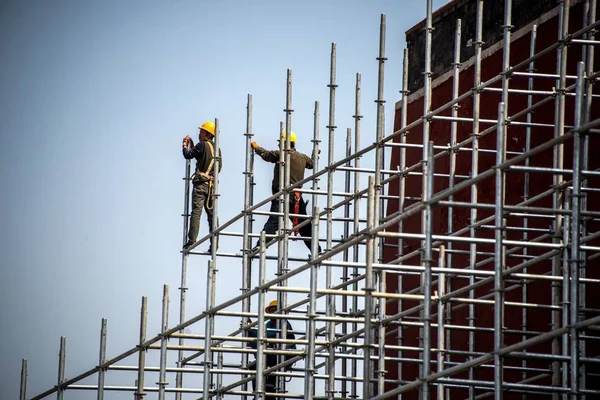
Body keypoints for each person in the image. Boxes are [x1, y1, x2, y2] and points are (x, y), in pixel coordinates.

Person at [250, 131, 321, 254]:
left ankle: (260, 245)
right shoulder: (302, 157)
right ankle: (316, 250)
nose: (279, 145)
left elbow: (267, 155)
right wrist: (315, 155)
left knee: (274, 221)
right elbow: (312, 164)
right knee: (303, 225)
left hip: (282, 196)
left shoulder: (281, 154)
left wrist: (256, 147)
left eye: (280, 142)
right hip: (297, 197)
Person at [182, 121, 222, 252]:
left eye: (201, 131)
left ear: (208, 134)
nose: (199, 133)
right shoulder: (217, 149)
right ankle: (214, 245)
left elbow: (188, 155)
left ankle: (191, 241)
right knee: (212, 215)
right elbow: (219, 167)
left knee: (196, 213)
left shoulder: (202, 145)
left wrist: (184, 144)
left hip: (200, 185)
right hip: (212, 186)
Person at [247, 300, 296, 399]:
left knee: (271, 364)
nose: (274, 313)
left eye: (276, 310)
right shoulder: (268, 324)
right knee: (254, 366)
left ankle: (269, 390)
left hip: (286, 355)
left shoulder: (283, 322)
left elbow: (269, 336)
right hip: (272, 354)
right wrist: (250, 328)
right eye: (272, 310)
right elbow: (258, 335)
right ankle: (258, 391)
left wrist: (259, 336)